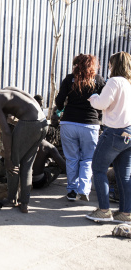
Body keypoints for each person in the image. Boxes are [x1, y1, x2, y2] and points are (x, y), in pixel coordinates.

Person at [0, 83, 48, 213]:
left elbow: (6, 131)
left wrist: (7, 157)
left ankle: (11, 199)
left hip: (29, 124)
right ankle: (24, 203)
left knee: (12, 162)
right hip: (43, 123)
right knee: (27, 165)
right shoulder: (6, 90)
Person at [86, 51, 131, 224]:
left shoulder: (114, 81)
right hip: (128, 133)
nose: (108, 67)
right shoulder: (128, 83)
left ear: (115, 65)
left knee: (98, 168)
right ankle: (125, 213)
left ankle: (104, 210)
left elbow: (102, 103)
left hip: (114, 132)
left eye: (110, 64)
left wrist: (94, 97)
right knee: (124, 175)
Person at [55, 54, 105, 201]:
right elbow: (103, 103)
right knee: (88, 159)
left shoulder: (69, 78)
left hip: (69, 123)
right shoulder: (99, 80)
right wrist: (98, 115)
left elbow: (59, 101)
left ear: (77, 65)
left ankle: (71, 191)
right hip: (90, 125)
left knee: (72, 159)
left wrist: (62, 109)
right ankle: (84, 189)